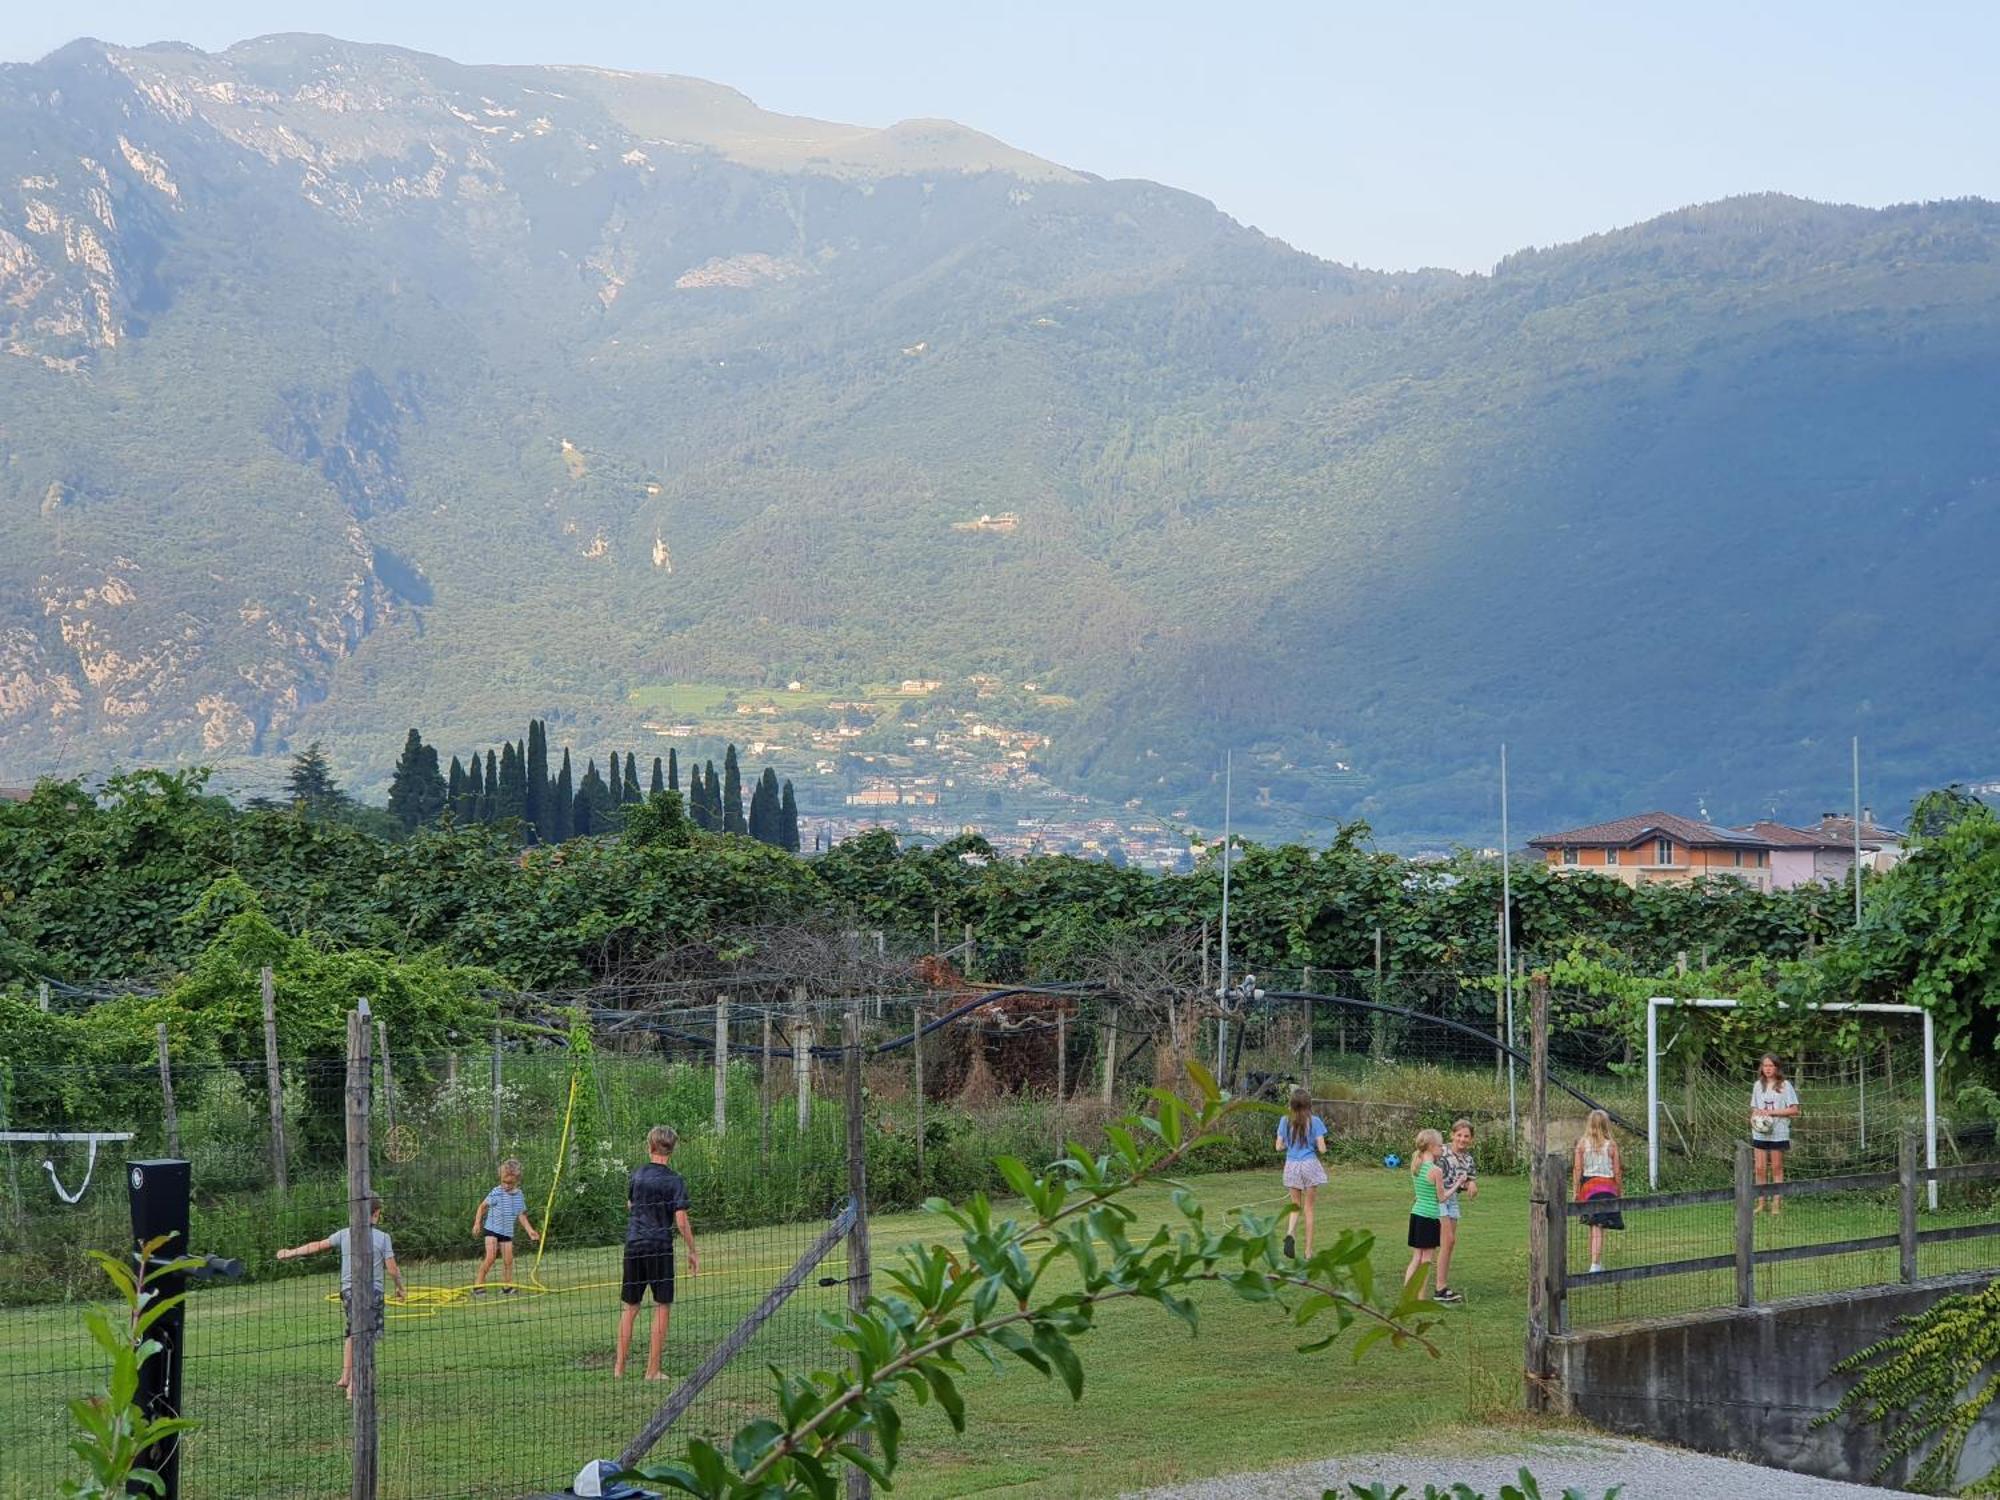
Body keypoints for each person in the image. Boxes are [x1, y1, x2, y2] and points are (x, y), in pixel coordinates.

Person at [276, 1192, 407, 1399]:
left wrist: (291, 1252)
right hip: (372, 1293)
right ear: (376, 1214)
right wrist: (400, 1288)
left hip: (349, 1292)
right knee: (365, 1337)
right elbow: (392, 1269)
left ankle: (345, 1376)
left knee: (352, 1332)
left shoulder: (345, 1233)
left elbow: (318, 1245)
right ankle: (354, 1385)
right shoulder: (383, 1238)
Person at [615, 1125, 700, 1381]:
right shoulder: (675, 1180)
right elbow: (681, 1219)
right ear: (672, 1149)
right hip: (660, 1246)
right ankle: (652, 1371)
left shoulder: (638, 1174)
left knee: (630, 1307)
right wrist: (693, 1251)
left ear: (649, 1146)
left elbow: (630, 1205)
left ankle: (618, 1369)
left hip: (634, 1244)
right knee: (662, 1306)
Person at [472, 1157, 541, 1295]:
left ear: (517, 1180)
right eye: (504, 1181)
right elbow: (482, 1207)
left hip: (507, 1233)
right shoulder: (496, 1191)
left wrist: (530, 1230)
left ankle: (507, 1286)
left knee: (508, 1260)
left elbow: (521, 1215)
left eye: (510, 1183)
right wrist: (477, 1223)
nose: (506, 1185)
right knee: (490, 1257)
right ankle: (478, 1285)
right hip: (491, 1229)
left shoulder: (519, 1195)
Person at [1275, 1085, 1329, 1259]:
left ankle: (1290, 1233)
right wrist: (1314, 1144)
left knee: (1295, 1206)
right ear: (1308, 1104)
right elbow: (1322, 1149)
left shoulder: (1285, 1120)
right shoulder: (1315, 1121)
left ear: (1291, 1104)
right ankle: (1307, 1252)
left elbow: (1278, 1146)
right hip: (1309, 1164)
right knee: (1309, 1209)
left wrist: (1288, 1145)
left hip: (1291, 1165)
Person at [1431, 1118, 1479, 1305]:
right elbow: (1424, 1165)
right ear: (1452, 1135)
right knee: (1446, 1240)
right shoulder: (1440, 1151)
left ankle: (1441, 1286)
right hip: (1438, 1199)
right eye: (1459, 1135)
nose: (1462, 1139)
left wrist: (1472, 1184)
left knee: (1448, 1244)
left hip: (1452, 1200)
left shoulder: (1468, 1159)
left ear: (1471, 1139)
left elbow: (1467, 1181)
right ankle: (1440, 1288)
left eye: (1466, 1136)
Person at [1572, 1109, 1624, 1274]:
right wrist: (1618, 1191)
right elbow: (1617, 1171)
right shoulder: (1611, 1145)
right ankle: (1595, 1263)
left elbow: (1578, 1169)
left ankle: (1595, 1262)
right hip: (1607, 1186)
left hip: (1589, 1187)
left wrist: (1576, 1190)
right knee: (1598, 1226)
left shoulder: (1581, 1144)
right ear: (1606, 1125)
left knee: (1594, 1225)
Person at [1750, 1053, 1800, 1215]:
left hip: (1778, 1132)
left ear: (1777, 1067)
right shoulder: (1758, 1085)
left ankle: (1776, 1203)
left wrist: (1772, 1113)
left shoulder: (1785, 1085)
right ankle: (1761, 1202)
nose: (1768, 1069)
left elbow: (1794, 1110)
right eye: (1765, 1066)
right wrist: (1754, 1118)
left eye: (1771, 1066)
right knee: (1759, 1168)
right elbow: (1754, 1108)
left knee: (1777, 1168)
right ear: (1761, 1068)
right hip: (1760, 1133)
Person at [1403, 1128, 1451, 1295]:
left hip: (1416, 1215)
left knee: (1416, 1258)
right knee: (1426, 1260)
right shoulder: (1435, 1171)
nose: (1442, 1148)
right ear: (1431, 1146)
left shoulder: (1416, 1164)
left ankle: (1407, 1293)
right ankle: (1420, 1296)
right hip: (1429, 1217)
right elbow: (1442, 1198)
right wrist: (1458, 1184)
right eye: (1440, 1145)